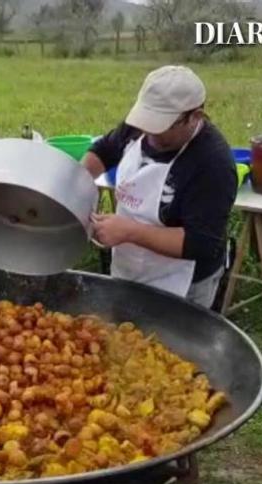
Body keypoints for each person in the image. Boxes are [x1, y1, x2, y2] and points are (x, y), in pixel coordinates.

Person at [83, 65, 237, 308]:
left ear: (194, 117)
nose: (149, 132)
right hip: (129, 268)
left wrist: (129, 231)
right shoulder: (141, 125)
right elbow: (104, 151)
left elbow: (201, 243)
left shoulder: (213, 163)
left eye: (161, 125)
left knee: (172, 344)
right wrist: (73, 185)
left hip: (183, 283)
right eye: (146, 121)